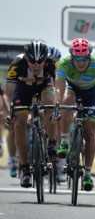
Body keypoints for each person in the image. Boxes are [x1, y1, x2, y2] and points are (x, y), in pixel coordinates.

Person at [54, 37, 95, 191]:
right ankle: (65, 141)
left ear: (89, 56)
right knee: (67, 99)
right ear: (72, 57)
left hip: (92, 93)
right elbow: (58, 89)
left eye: (84, 58)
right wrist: (57, 108)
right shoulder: (64, 63)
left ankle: (88, 174)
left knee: (90, 132)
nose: (80, 62)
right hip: (72, 88)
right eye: (77, 58)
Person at [5, 40, 58, 188]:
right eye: (32, 61)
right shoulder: (18, 63)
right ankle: (25, 168)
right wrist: (10, 112)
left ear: (45, 59)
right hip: (23, 88)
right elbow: (9, 92)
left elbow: (59, 87)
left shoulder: (52, 64)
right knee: (19, 124)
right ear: (27, 59)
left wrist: (57, 106)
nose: (36, 65)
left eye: (40, 61)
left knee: (50, 102)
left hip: (44, 86)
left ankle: (52, 143)